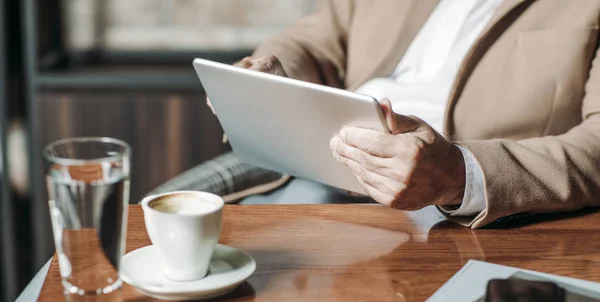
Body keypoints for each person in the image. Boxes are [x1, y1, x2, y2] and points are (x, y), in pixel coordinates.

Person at [153, 0, 600, 230]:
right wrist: (269, 71)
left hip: (457, 215)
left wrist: (459, 175)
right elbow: (313, 40)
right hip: (305, 162)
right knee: (129, 239)